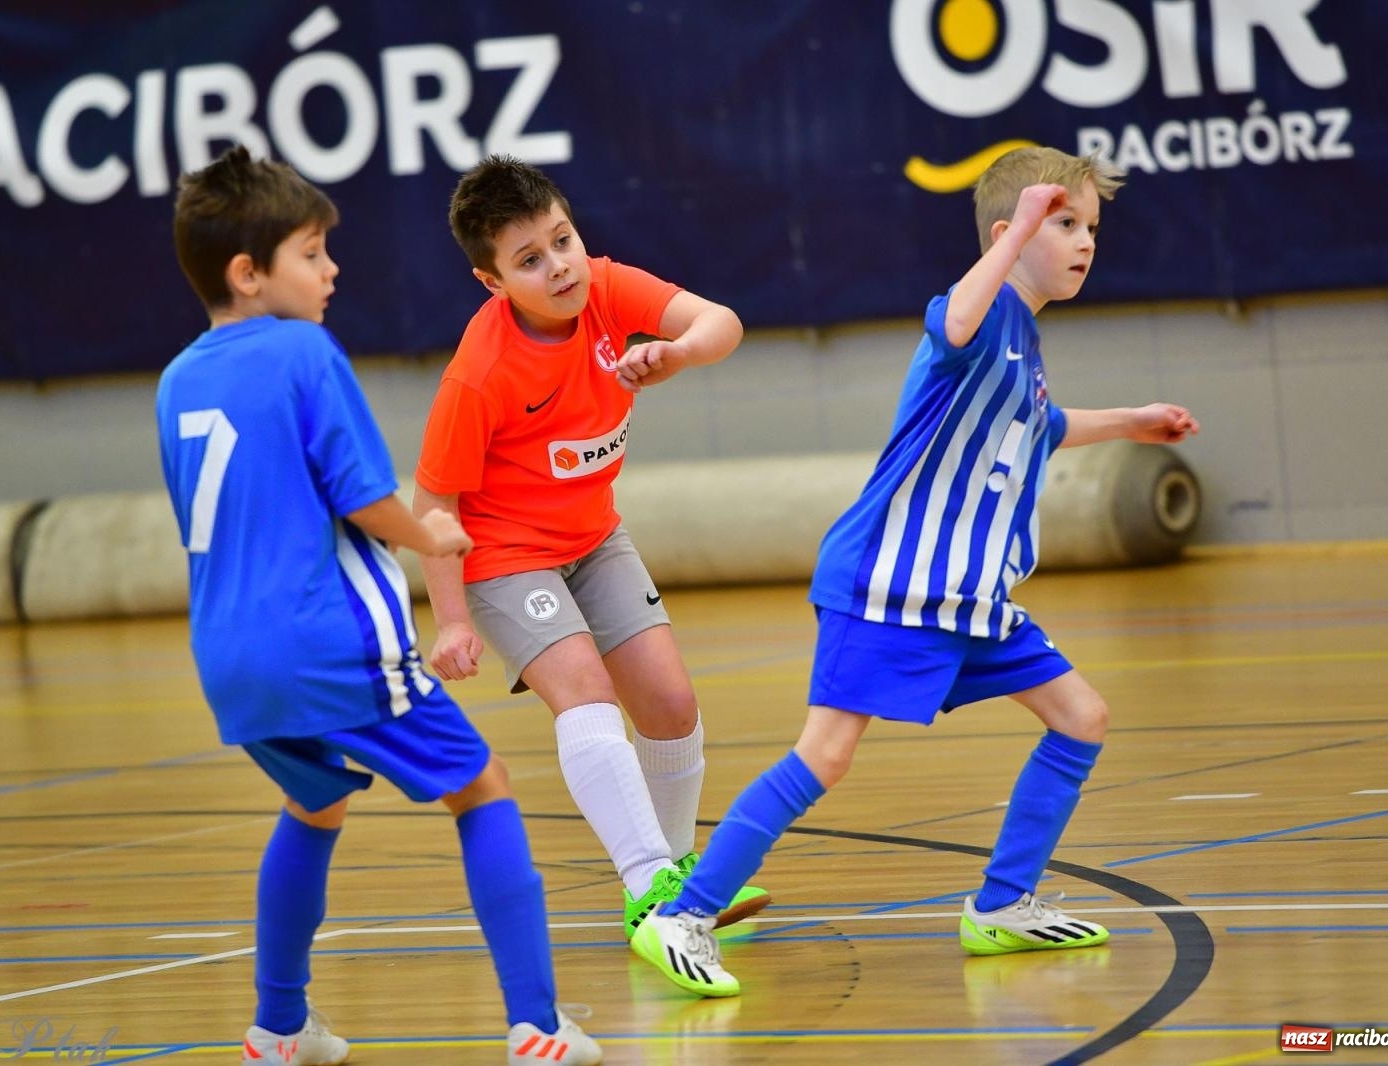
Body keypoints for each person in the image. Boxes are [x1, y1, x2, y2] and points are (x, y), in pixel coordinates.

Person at [629, 145, 1201, 997]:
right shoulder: (977, 315)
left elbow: (1037, 426)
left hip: (969, 598)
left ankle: (1001, 906)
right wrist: (1008, 245)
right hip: (892, 584)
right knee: (824, 755)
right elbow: (956, 319)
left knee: (1081, 716)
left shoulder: (1025, 344)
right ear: (1010, 236)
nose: (1085, 242)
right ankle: (685, 915)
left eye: (1091, 228)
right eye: (1066, 223)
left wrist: (1132, 421)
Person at [156, 145, 602, 1065]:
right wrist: (430, 535)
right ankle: (539, 1024)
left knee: (312, 806)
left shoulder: (177, 381)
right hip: (329, 641)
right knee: (482, 789)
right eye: (311, 253)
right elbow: (362, 492)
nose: (331, 270)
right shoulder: (301, 350)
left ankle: (280, 1028)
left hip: (228, 660)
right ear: (249, 274)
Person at [413, 155, 769, 942]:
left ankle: (681, 888)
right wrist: (450, 623)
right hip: (504, 555)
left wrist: (677, 352)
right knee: (587, 696)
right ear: (492, 281)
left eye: (562, 239)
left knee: (671, 705)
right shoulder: (481, 373)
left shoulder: (607, 287)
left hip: (594, 536)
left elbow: (723, 323)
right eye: (529, 260)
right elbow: (433, 504)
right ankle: (646, 891)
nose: (559, 266)